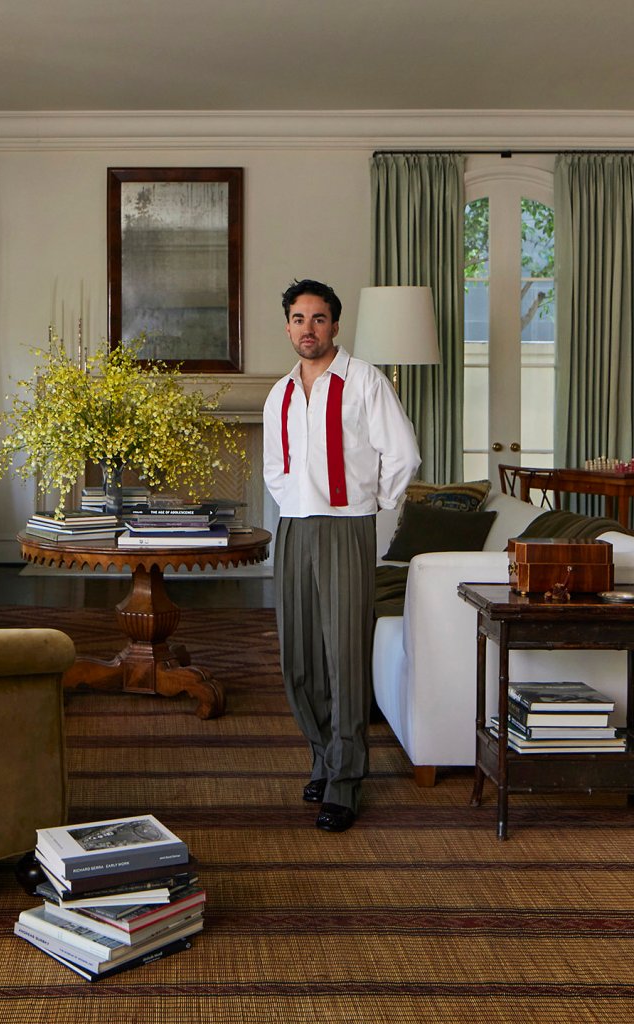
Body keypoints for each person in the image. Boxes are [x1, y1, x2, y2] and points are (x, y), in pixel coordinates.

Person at [263, 279, 421, 832]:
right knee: (298, 654)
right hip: (295, 528)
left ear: (336, 325)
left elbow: (402, 454)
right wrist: (296, 504)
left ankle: (346, 778)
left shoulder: (364, 382)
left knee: (344, 652)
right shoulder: (279, 393)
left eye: (320, 318)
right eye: (300, 318)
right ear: (287, 326)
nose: (309, 328)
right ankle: (323, 755)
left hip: (346, 528)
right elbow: (273, 468)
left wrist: (367, 504)